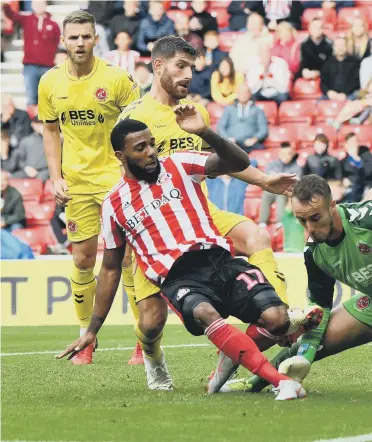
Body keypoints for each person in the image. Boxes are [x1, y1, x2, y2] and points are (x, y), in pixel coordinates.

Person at [57, 114, 320, 401]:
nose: (150, 153)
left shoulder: (179, 164)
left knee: (278, 319)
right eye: (140, 148)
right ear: (120, 155)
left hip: (220, 261)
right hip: (178, 277)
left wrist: (207, 132)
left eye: (152, 145)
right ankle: (281, 382)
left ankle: (231, 356)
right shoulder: (113, 204)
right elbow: (109, 269)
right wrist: (92, 329)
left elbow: (236, 162)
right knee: (192, 316)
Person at [114, 36, 305, 369]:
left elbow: (215, 161)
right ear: (158, 67)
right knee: (152, 322)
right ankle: (149, 350)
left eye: (192, 67)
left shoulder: (196, 112)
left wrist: (263, 180)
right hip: (158, 224)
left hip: (200, 212)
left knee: (256, 236)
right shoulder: (134, 118)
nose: (188, 75)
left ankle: (283, 319)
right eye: (180, 66)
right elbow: (123, 179)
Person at [37, 10, 140, 365]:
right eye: (73, 37)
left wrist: (134, 174)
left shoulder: (116, 79)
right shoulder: (49, 83)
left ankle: (144, 338)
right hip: (76, 183)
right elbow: (50, 131)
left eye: (86, 36)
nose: (80, 42)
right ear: (63, 41)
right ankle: (86, 338)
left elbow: (139, 128)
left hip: (117, 180)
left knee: (126, 258)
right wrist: (55, 177)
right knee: (82, 258)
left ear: (96, 39)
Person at [223, 175, 372, 393]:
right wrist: (305, 356)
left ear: (332, 206)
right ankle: (258, 383)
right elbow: (321, 307)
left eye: (315, 217)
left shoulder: (366, 218)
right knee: (313, 341)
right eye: (302, 220)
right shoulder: (314, 253)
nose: (309, 228)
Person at [2, 0, 60, 106]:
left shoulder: (54, 24)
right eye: (36, 4)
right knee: (31, 99)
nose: (39, 6)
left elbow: (59, 43)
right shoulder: (27, 19)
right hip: (30, 66)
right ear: (32, 6)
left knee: (48, 99)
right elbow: (11, 14)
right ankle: (33, 122)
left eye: (41, 4)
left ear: (46, 5)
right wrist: (6, 3)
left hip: (48, 67)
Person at [258, 142, 303, 226]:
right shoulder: (272, 164)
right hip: (271, 188)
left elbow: (296, 181)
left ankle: (280, 221)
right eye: (283, 154)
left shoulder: (296, 167)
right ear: (279, 154)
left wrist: (279, 179)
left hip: (285, 190)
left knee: (281, 195)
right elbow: (267, 178)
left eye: (288, 154)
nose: (286, 156)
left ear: (292, 155)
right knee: (265, 195)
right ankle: (262, 222)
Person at [217, 83, 268, 153]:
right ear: (237, 94)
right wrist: (227, 138)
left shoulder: (258, 110)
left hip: (250, 144)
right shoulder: (229, 109)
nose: (243, 95)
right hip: (231, 143)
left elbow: (263, 130)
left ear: (250, 94)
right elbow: (220, 126)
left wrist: (254, 139)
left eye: (246, 92)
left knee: (260, 150)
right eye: (240, 92)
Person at [12, 117, 50, 183]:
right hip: (27, 170)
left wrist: (47, 135)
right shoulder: (26, 141)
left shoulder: (54, 140)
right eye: (39, 123)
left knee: (40, 179)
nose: (41, 126)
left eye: (43, 124)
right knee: (12, 178)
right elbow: (20, 159)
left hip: (45, 171)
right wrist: (26, 168)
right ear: (33, 124)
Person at [341, 132, 372, 202]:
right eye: (351, 143)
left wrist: (356, 159)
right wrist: (343, 181)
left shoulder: (366, 155)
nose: (354, 145)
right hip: (351, 189)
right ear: (346, 145)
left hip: (366, 187)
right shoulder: (343, 162)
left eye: (356, 142)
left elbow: (369, 172)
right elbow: (340, 177)